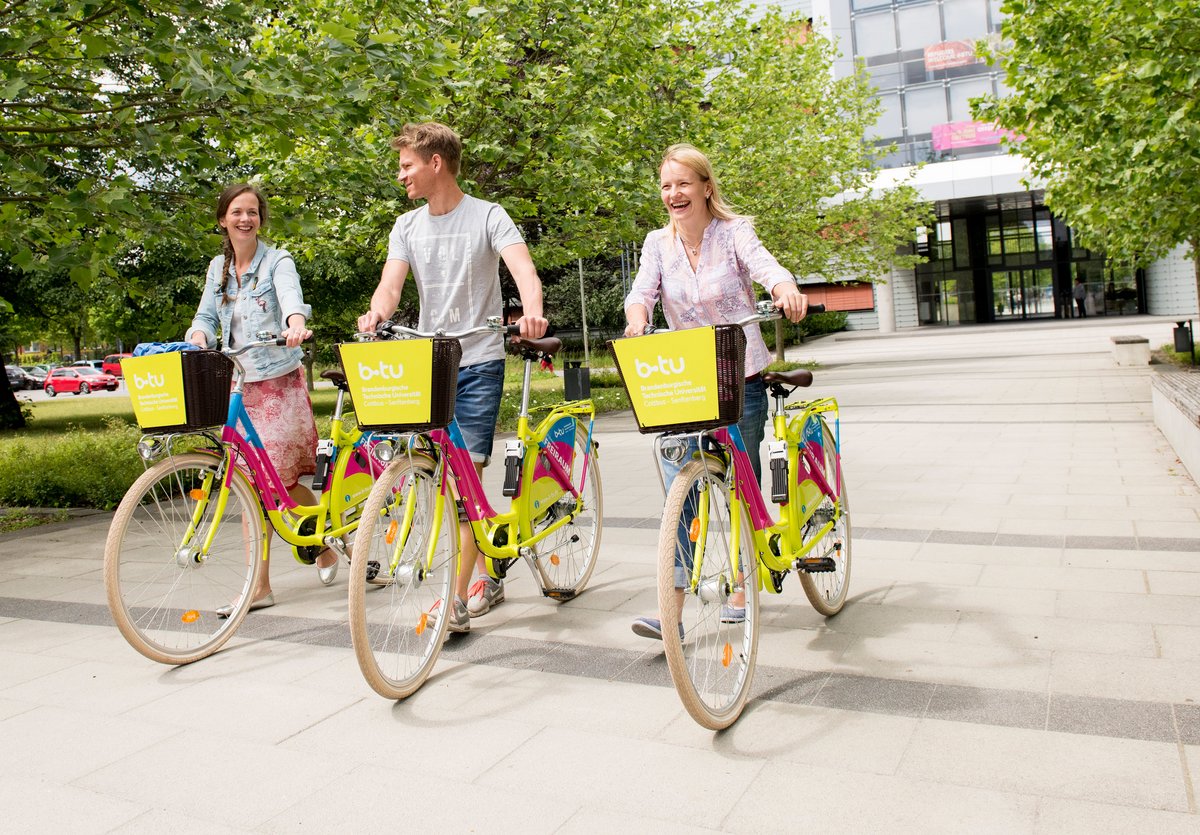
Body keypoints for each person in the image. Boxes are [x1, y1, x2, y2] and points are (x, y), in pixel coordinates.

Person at [357, 121, 548, 634]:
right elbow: (390, 286)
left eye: (406, 165)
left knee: (465, 481)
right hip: (429, 362)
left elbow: (524, 272)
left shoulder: (488, 216)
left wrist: (532, 312)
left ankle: (457, 601)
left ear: (434, 162)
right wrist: (377, 314)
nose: (401, 175)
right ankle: (487, 571)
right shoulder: (407, 226)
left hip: (480, 359)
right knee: (441, 479)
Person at [623, 143, 808, 640]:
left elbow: (765, 265)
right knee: (679, 499)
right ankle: (673, 614)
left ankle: (743, 585)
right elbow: (641, 292)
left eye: (683, 183)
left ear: (706, 187)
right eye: (666, 185)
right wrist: (637, 319)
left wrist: (783, 288)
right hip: (684, 379)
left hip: (740, 375)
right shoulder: (656, 244)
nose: (674, 194)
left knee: (741, 487)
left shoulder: (733, 233)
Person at [187, 183, 334, 615]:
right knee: (257, 486)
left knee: (279, 484)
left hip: (278, 383)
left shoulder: (278, 261)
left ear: (260, 219)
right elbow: (206, 316)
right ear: (223, 219)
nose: (245, 219)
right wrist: (198, 338)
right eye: (236, 211)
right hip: (239, 385)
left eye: (252, 211)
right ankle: (275, 575)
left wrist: (294, 322)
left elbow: (291, 297)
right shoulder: (218, 268)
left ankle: (301, 553)